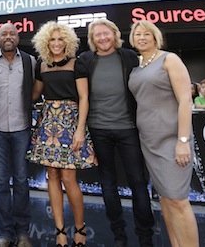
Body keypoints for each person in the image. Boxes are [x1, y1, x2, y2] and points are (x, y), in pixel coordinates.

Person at [74, 18, 155, 247]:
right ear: (92, 39)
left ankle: (145, 236)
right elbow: (83, 96)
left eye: (106, 33)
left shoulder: (129, 56)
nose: (102, 38)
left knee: (138, 182)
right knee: (107, 183)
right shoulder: (85, 60)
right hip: (99, 130)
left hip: (128, 128)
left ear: (114, 34)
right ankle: (119, 235)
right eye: (97, 35)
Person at [128, 20, 199, 247]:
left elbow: (186, 101)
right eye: (137, 34)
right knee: (166, 200)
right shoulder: (138, 67)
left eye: (146, 34)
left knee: (178, 200)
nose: (142, 37)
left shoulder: (169, 59)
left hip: (172, 140)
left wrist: (183, 140)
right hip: (148, 141)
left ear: (155, 37)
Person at [26, 21, 97, 247]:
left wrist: (79, 130)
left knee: (68, 177)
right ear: (45, 42)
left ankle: (80, 228)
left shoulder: (78, 64)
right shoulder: (42, 65)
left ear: (68, 41)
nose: (56, 43)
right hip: (48, 122)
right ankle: (59, 231)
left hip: (71, 121)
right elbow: (35, 94)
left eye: (60, 39)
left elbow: (84, 97)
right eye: (52, 39)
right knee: (52, 176)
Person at [0, 22, 36, 247]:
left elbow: (35, 91)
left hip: (22, 128)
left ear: (18, 37)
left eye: (12, 33)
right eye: (3, 33)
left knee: (22, 181)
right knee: (1, 182)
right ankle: (5, 232)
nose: (8, 36)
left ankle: (22, 232)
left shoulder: (30, 62)